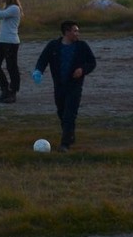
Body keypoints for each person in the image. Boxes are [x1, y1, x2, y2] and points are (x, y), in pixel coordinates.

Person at [32, 20, 98, 151]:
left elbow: (92, 62)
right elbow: (43, 60)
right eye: (75, 31)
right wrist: (38, 71)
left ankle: (65, 143)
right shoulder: (53, 46)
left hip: (74, 86)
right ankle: (70, 134)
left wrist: (82, 70)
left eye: (77, 31)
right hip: (59, 86)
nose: (77, 33)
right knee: (61, 112)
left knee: (70, 114)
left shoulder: (82, 46)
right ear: (67, 32)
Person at [0, 0, 23, 103]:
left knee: (11, 67)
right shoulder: (8, 8)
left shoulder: (15, 8)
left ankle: (12, 92)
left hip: (11, 42)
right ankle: (5, 89)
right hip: (1, 41)